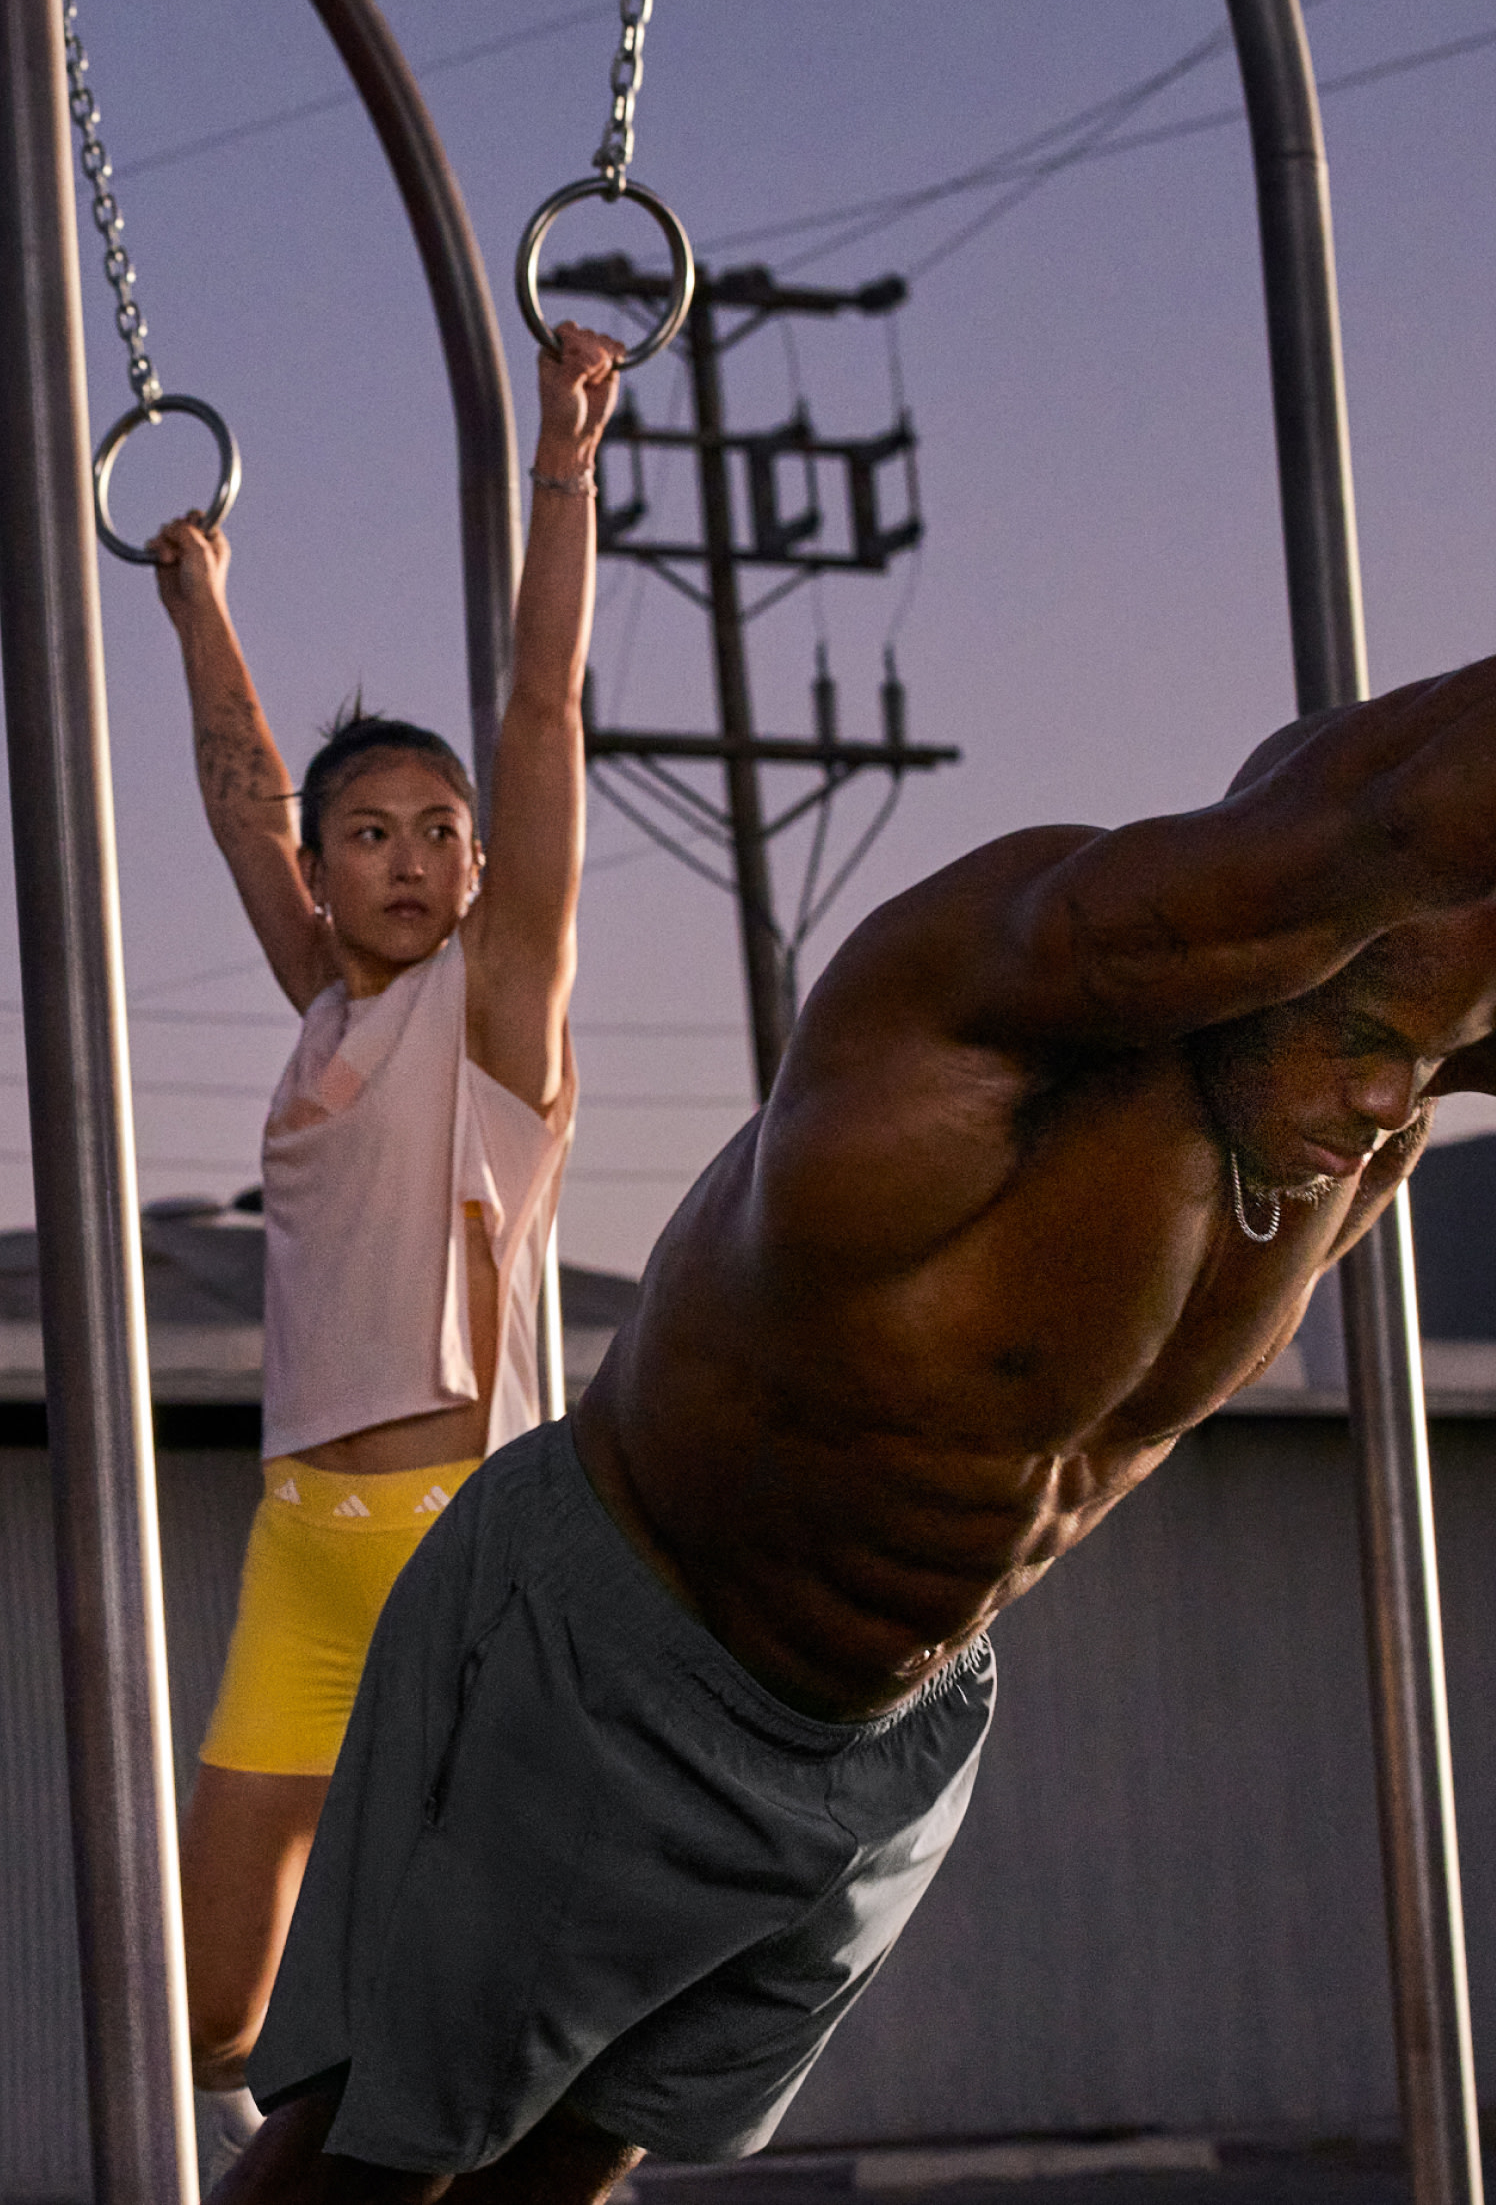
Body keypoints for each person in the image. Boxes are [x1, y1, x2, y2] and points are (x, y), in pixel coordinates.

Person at [226, 661, 1496, 2196]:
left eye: (1422, 1071)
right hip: (622, 1641)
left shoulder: (1342, 1115)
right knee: (367, 2167)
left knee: (558, 2175)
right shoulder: (983, 997)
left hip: (885, 1741)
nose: (1383, 1100)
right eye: (1366, 1034)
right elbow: (1374, 818)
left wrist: (1413, 1040)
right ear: (1265, 943)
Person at [148, 319, 626, 2156]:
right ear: (322, 866)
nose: (417, 857)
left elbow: (543, 720)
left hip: (464, 1541)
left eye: (442, 831)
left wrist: (562, 469)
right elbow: (225, 782)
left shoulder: (496, 1018)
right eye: (371, 833)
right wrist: (195, 592)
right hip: (304, 1549)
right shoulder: (322, 1009)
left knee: (498, 2015)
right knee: (216, 2016)